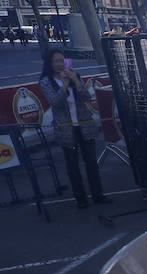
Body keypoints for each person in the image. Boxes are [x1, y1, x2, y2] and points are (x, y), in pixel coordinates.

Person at [39, 50, 108, 208]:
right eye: (56, 61)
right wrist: (64, 85)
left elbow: (86, 97)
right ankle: (80, 198)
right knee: (72, 165)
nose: (59, 64)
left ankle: (98, 194)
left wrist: (75, 81)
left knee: (91, 162)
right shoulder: (45, 81)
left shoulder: (75, 75)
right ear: (50, 64)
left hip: (84, 125)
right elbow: (54, 102)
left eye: (62, 61)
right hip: (66, 129)